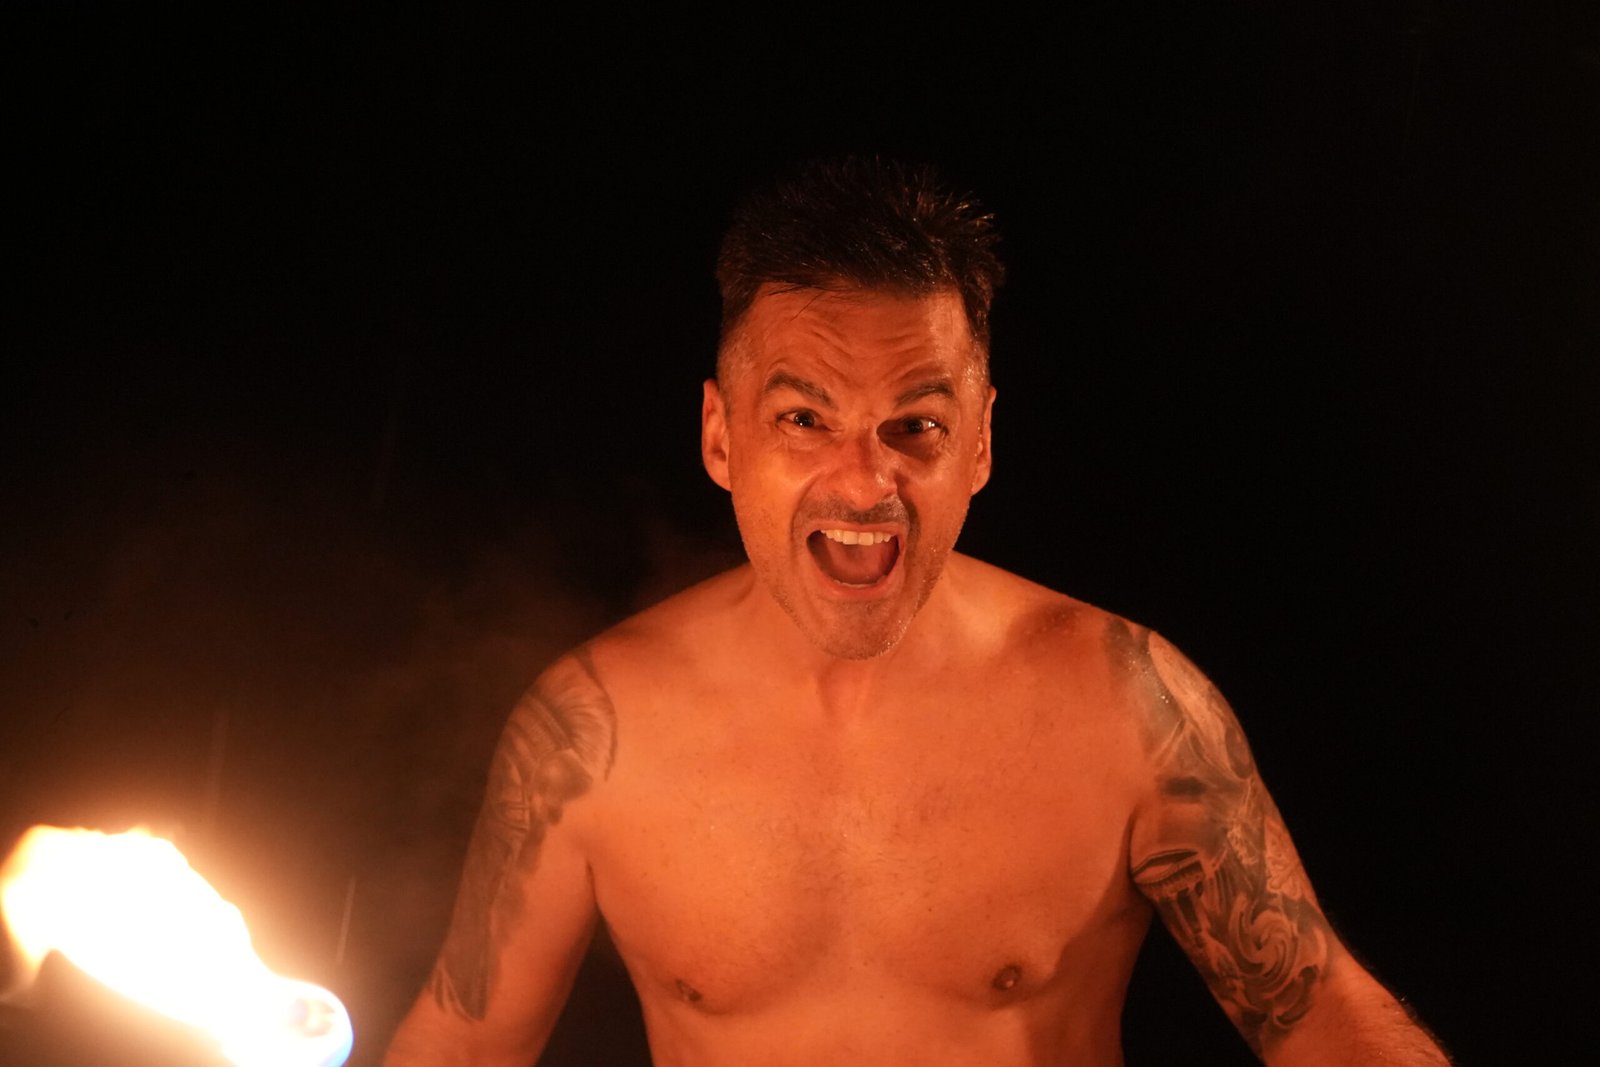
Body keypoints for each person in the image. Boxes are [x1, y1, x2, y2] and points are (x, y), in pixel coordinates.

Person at [384, 158, 1449, 1066]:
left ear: (979, 443)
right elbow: (469, 1040)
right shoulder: (587, 733)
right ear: (720, 436)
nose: (864, 481)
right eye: (803, 418)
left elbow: (1318, 1012)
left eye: (915, 426)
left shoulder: (1127, 703)